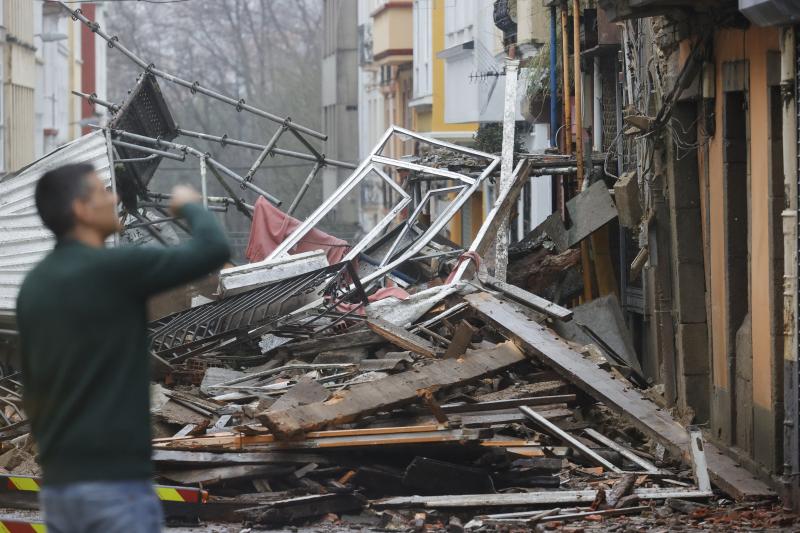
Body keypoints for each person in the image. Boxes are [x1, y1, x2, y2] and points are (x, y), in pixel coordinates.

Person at [15, 163, 231, 532]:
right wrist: (190, 206)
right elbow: (212, 250)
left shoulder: (33, 288)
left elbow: (33, 389)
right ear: (81, 210)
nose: (114, 198)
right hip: (115, 484)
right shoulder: (114, 269)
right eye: (102, 191)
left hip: (60, 489)